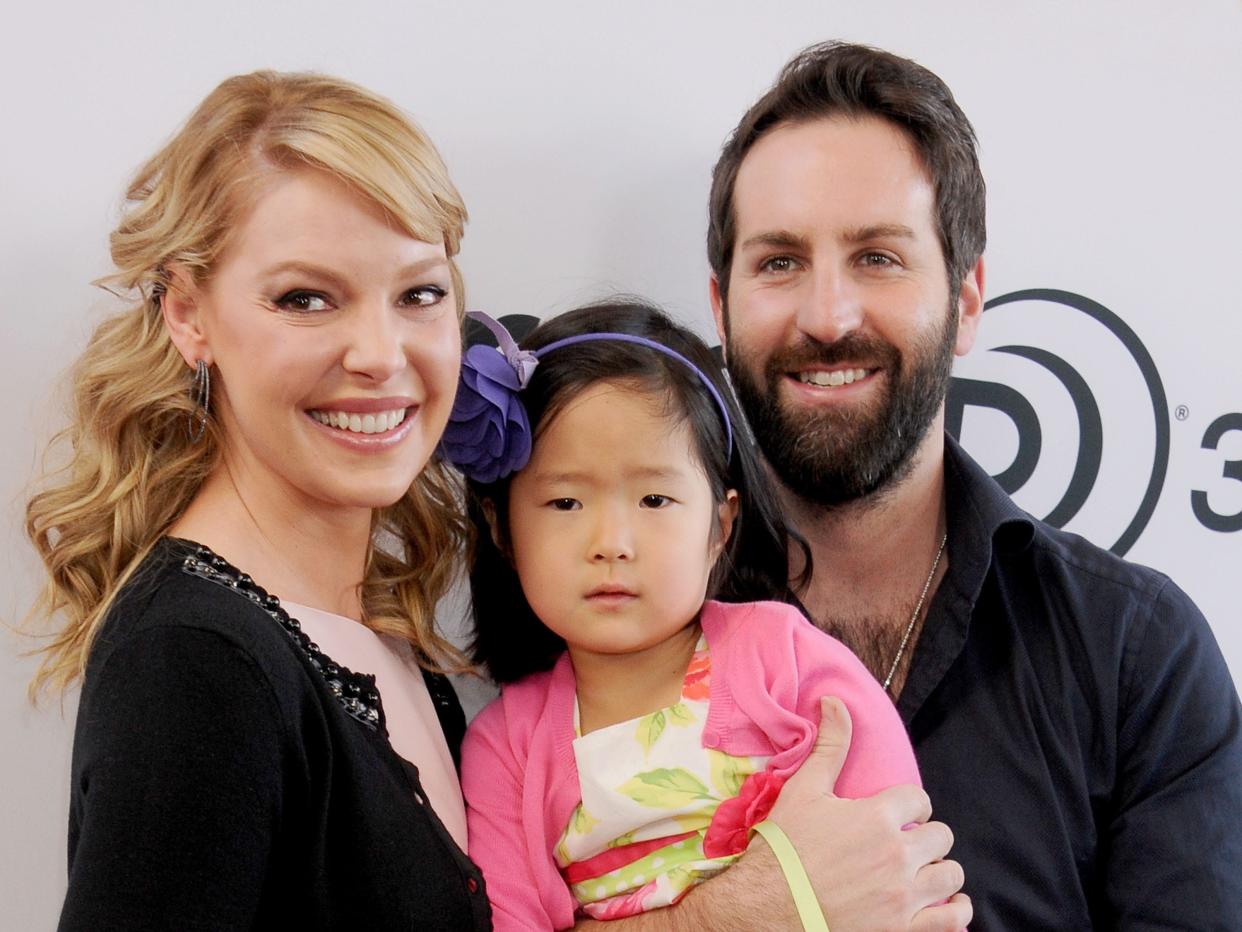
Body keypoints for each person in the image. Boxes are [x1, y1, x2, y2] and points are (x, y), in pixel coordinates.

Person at [707, 40, 1242, 928]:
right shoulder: (611, 617)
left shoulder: (1135, 656)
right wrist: (752, 909)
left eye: (878, 257)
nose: (827, 316)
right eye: (780, 261)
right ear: (720, 307)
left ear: (965, 300)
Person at [25, 71, 492, 928]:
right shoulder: (195, 664)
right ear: (188, 315)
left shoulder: (377, 635)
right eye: (305, 299)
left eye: (419, 294)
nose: (381, 355)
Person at [447, 301, 922, 930]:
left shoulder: (787, 663)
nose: (612, 541)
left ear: (719, 525)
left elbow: (896, 862)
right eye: (565, 501)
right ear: (502, 529)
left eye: (654, 498)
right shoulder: (505, 749)